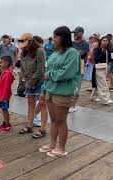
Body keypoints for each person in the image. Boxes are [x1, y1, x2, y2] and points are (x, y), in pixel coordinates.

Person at [39, 26, 81, 157]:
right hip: (50, 91)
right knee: (54, 120)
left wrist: (50, 74)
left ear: (63, 37)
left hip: (63, 92)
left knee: (61, 121)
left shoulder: (72, 52)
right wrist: (43, 90)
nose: (53, 39)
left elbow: (67, 73)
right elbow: (47, 72)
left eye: (56, 36)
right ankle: (52, 144)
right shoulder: (55, 53)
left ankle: (61, 147)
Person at [18, 33, 47, 139]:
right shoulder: (23, 53)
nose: (24, 46)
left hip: (39, 81)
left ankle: (42, 129)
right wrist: (26, 81)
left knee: (43, 103)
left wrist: (30, 82)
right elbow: (22, 68)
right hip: (29, 81)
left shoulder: (40, 51)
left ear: (31, 41)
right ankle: (29, 125)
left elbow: (40, 69)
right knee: (30, 103)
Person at [70, 26, 89, 113]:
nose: (74, 34)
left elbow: (79, 54)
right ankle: (68, 104)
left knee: (77, 86)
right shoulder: (71, 43)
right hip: (70, 64)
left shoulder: (85, 44)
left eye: (76, 33)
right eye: (73, 33)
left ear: (81, 33)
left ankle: (73, 106)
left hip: (80, 64)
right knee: (69, 85)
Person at [91, 36, 113, 105]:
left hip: (105, 68)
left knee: (98, 82)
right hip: (98, 68)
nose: (105, 42)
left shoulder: (108, 50)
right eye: (103, 40)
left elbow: (109, 60)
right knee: (103, 84)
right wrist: (102, 52)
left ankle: (93, 97)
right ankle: (106, 99)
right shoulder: (97, 49)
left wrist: (112, 57)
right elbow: (97, 59)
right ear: (100, 41)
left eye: (106, 41)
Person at [0, 56, 15, 132]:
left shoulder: (8, 74)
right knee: (3, 110)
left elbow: (7, 88)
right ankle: (5, 122)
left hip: (4, 97)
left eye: (1, 62)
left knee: (5, 110)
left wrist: (3, 97)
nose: (0, 64)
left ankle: (8, 125)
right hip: (1, 95)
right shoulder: (4, 73)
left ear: (6, 63)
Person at [86, 33, 100, 99]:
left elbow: (91, 53)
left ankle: (95, 91)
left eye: (92, 38)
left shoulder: (95, 44)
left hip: (92, 62)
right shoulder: (93, 44)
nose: (91, 39)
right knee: (92, 77)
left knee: (93, 77)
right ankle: (94, 90)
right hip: (92, 61)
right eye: (91, 38)